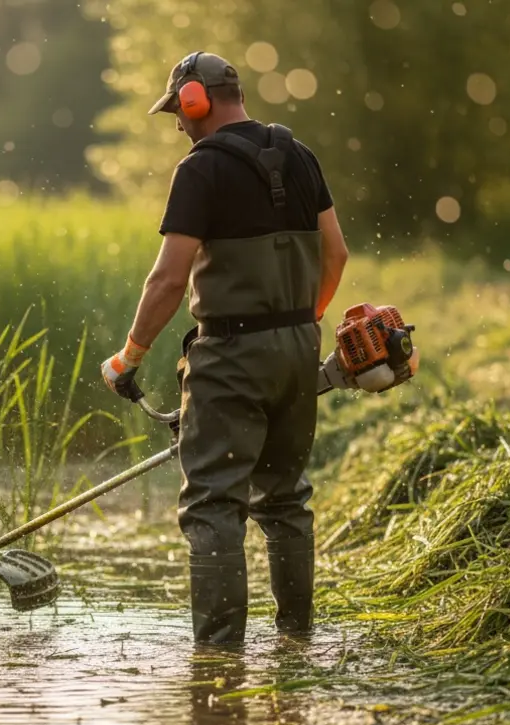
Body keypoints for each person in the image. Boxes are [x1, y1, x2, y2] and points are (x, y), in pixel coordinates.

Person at [99, 51, 352, 645]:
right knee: (286, 500)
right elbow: (336, 255)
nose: (178, 126)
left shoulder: (200, 170)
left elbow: (166, 281)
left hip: (230, 358)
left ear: (196, 99)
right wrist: (301, 323)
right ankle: (296, 639)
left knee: (214, 507)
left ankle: (217, 659)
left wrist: (128, 358)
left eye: (179, 113)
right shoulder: (299, 154)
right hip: (298, 349)